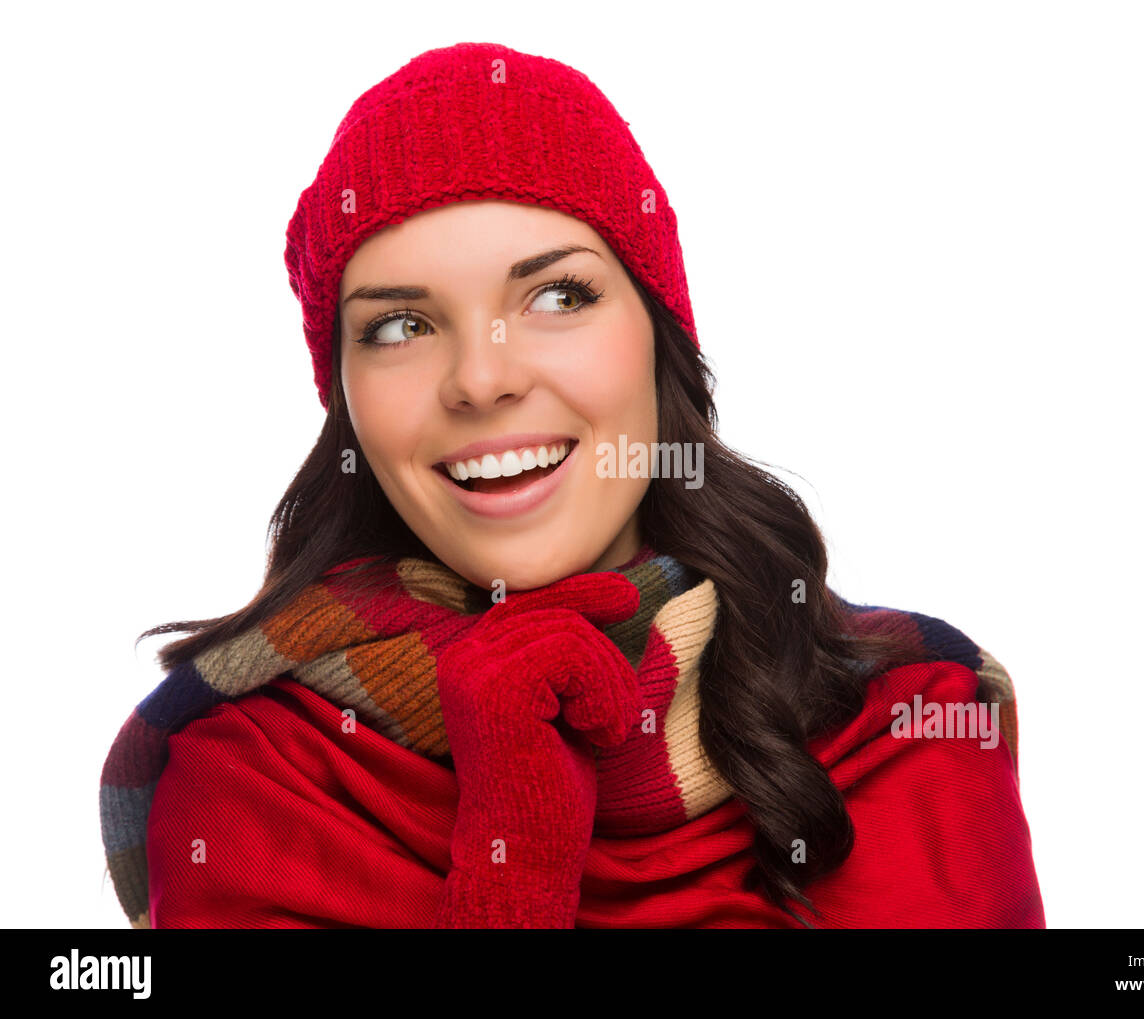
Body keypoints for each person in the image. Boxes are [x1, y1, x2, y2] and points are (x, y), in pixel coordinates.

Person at [99, 41, 1045, 929]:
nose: (482, 378)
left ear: (658, 335)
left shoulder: (906, 716)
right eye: (398, 326)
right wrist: (519, 851)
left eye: (557, 296)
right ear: (346, 399)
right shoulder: (250, 771)